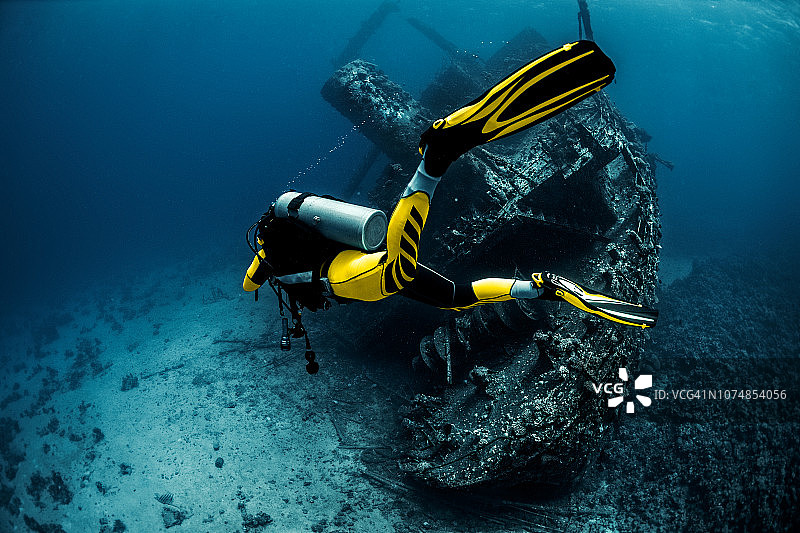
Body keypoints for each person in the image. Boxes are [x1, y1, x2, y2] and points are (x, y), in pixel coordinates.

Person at [242, 41, 657, 373]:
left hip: (344, 278)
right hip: (351, 257)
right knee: (458, 297)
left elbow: (249, 283)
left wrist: (262, 266)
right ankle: (539, 287)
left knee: (396, 270)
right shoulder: (283, 233)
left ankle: (434, 160)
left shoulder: (267, 255)